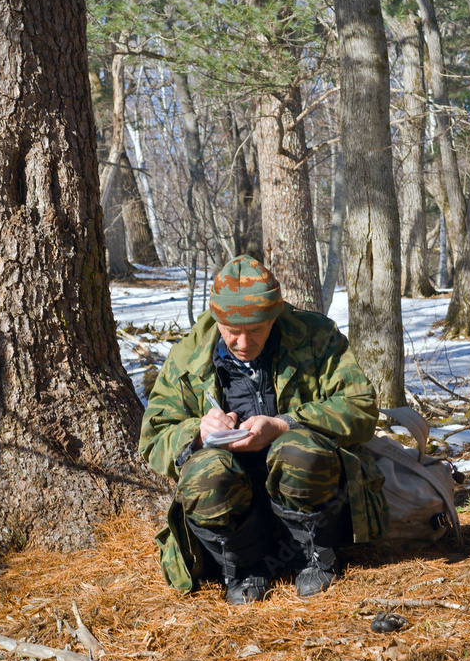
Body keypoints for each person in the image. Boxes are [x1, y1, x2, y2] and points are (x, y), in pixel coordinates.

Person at [139, 255, 390, 603]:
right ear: (216, 319)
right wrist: (197, 432)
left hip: (310, 498)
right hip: (233, 507)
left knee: (298, 449)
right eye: (232, 332)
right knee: (205, 471)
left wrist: (284, 424)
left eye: (255, 330)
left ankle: (313, 558)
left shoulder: (315, 338)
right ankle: (242, 569)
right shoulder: (188, 357)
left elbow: (361, 406)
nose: (243, 343)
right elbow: (152, 438)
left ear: (274, 316)